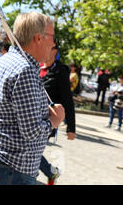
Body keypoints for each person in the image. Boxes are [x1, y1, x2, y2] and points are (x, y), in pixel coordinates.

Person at [0, 12, 65, 185]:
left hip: (2, 163)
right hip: (15, 169)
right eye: (52, 37)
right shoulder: (25, 70)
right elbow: (31, 131)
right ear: (38, 39)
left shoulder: (5, 61)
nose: (54, 43)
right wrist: (54, 120)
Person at [39, 40, 76, 185]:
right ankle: (51, 171)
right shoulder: (37, 66)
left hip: (49, 120)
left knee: (31, 150)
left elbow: (68, 101)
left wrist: (71, 128)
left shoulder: (60, 71)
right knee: (32, 150)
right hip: (34, 116)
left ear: (54, 51)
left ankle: (50, 172)